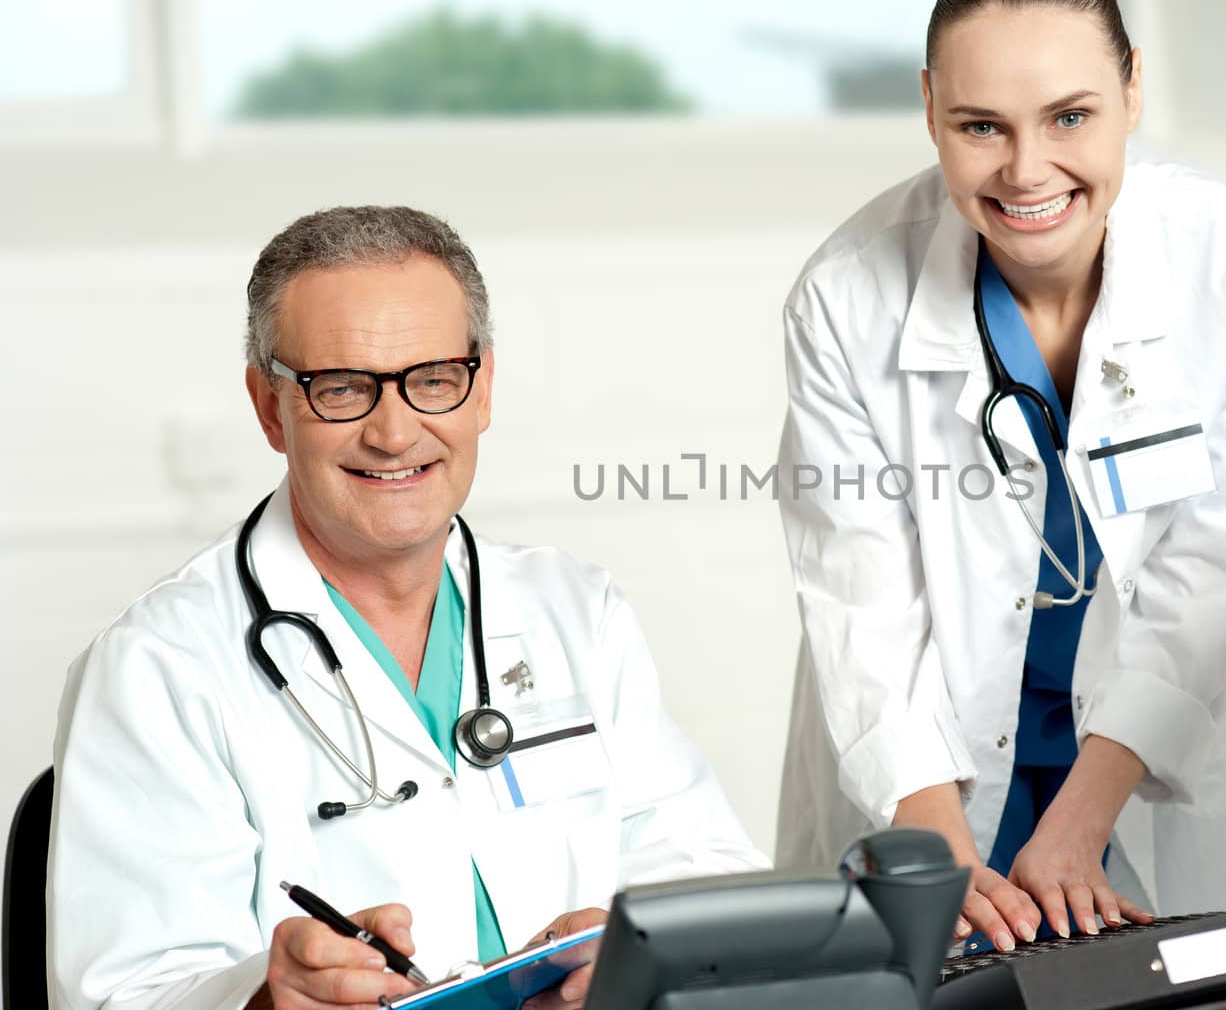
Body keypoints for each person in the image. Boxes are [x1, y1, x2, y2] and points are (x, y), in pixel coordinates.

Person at [48, 207, 768, 1010]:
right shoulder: (159, 666)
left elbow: (707, 872)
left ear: (482, 386)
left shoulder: (576, 611)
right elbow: (124, 994)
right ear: (268, 407)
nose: (394, 433)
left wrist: (637, 947)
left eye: (432, 379)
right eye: (341, 389)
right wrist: (260, 999)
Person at [774, 0, 1226, 954]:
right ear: (931, 105)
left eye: (1070, 116)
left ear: (1133, 87)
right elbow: (858, 599)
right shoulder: (847, 296)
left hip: (1125, 780)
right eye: (980, 126)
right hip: (917, 788)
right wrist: (934, 857)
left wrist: (1077, 823)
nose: (1027, 171)